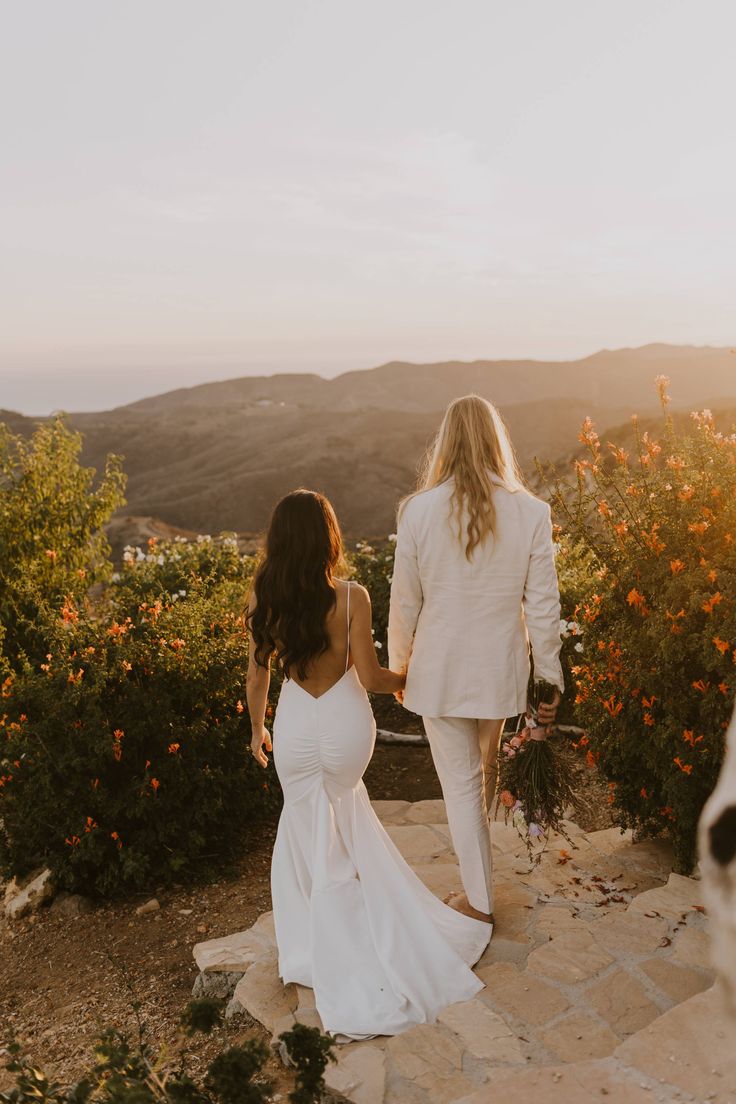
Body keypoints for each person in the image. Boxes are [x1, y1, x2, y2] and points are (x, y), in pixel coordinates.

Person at [246, 489, 490, 1039]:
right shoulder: (352, 597)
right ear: (328, 536)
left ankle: (314, 949)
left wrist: (259, 728)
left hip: (296, 725)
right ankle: (364, 940)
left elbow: (258, 676)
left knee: (304, 825)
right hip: (344, 723)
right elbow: (375, 678)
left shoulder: (270, 596)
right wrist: (419, 675)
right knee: (348, 824)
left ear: (280, 540)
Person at [388, 395, 564, 926]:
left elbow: (404, 602)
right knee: (481, 779)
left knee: (463, 786)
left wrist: (399, 667)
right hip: (501, 670)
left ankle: (479, 906)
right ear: (496, 440)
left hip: (438, 671)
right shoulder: (532, 512)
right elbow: (544, 606)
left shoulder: (417, 511)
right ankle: (478, 889)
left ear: (446, 440)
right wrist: (547, 682)